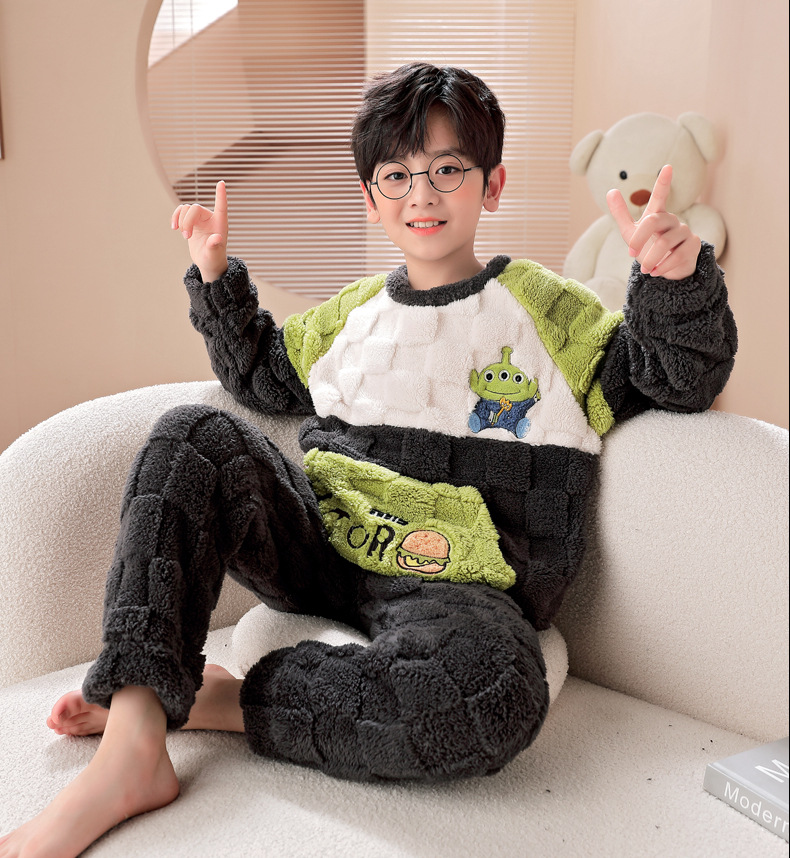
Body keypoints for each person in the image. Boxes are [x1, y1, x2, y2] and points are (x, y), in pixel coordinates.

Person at [0, 62, 736, 858]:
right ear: (370, 196)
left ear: (491, 185)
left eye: (448, 170)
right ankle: (134, 741)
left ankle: (225, 703)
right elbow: (259, 373)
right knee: (189, 436)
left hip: (462, 587)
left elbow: (674, 379)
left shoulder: (553, 313)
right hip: (324, 545)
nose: (422, 194)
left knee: (493, 694)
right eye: (397, 176)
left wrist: (675, 283)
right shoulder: (351, 314)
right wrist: (214, 277)